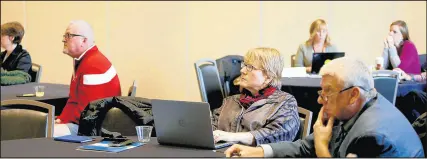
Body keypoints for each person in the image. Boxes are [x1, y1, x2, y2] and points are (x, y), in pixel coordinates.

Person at [224, 57, 424, 157]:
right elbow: (303, 146)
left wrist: (321, 147)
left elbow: (315, 146)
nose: (320, 100)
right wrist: (257, 151)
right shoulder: (354, 108)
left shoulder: (373, 137)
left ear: (353, 94)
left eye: (327, 92)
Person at [211, 47, 300, 146]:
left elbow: (279, 135)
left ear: (268, 77)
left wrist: (232, 136)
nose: (242, 70)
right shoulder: (230, 101)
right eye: (244, 65)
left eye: (250, 67)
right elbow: (211, 129)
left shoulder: (284, 103)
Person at [54, 20, 122, 137]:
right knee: (44, 128)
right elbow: (74, 100)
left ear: (83, 40)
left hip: (95, 129)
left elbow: (88, 112)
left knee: (43, 133)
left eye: (69, 36)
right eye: (65, 36)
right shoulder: (84, 60)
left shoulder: (93, 65)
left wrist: (60, 124)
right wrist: (61, 120)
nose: (64, 39)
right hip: (87, 123)